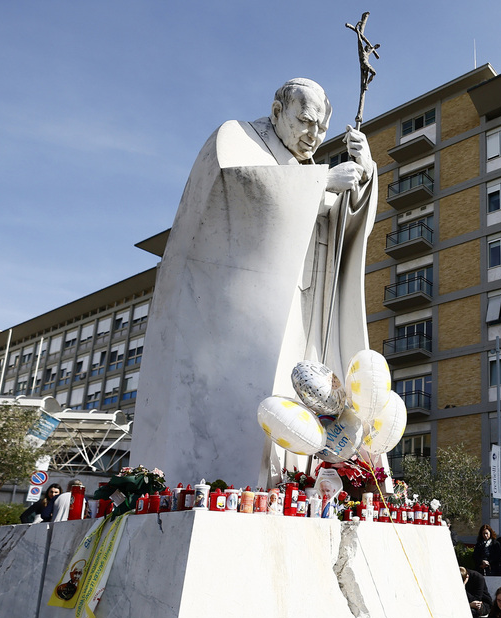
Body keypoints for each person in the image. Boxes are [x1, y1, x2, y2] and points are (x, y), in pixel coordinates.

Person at [132, 77, 379, 491]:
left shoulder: (303, 167)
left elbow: (339, 222)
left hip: (303, 308)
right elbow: (233, 187)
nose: (314, 136)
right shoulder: (236, 139)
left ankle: (296, 484)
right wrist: (319, 182)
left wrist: (364, 176)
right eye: (305, 122)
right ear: (278, 111)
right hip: (244, 317)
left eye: (321, 128)